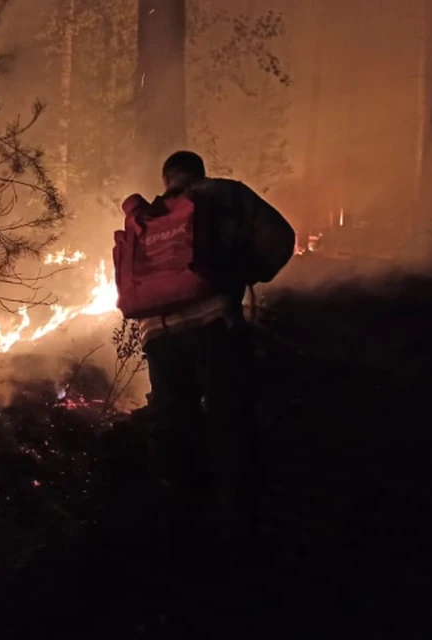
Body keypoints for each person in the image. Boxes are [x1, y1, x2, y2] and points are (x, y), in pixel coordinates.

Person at [135, 150, 261, 544]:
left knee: (173, 420)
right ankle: (234, 519)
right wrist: (247, 271)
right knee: (227, 414)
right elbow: (279, 238)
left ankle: (177, 520)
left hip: (157, 332)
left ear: (166, 178)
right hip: (211, 323)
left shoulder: (149, 214)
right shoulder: (226, 194)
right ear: (199, 174)